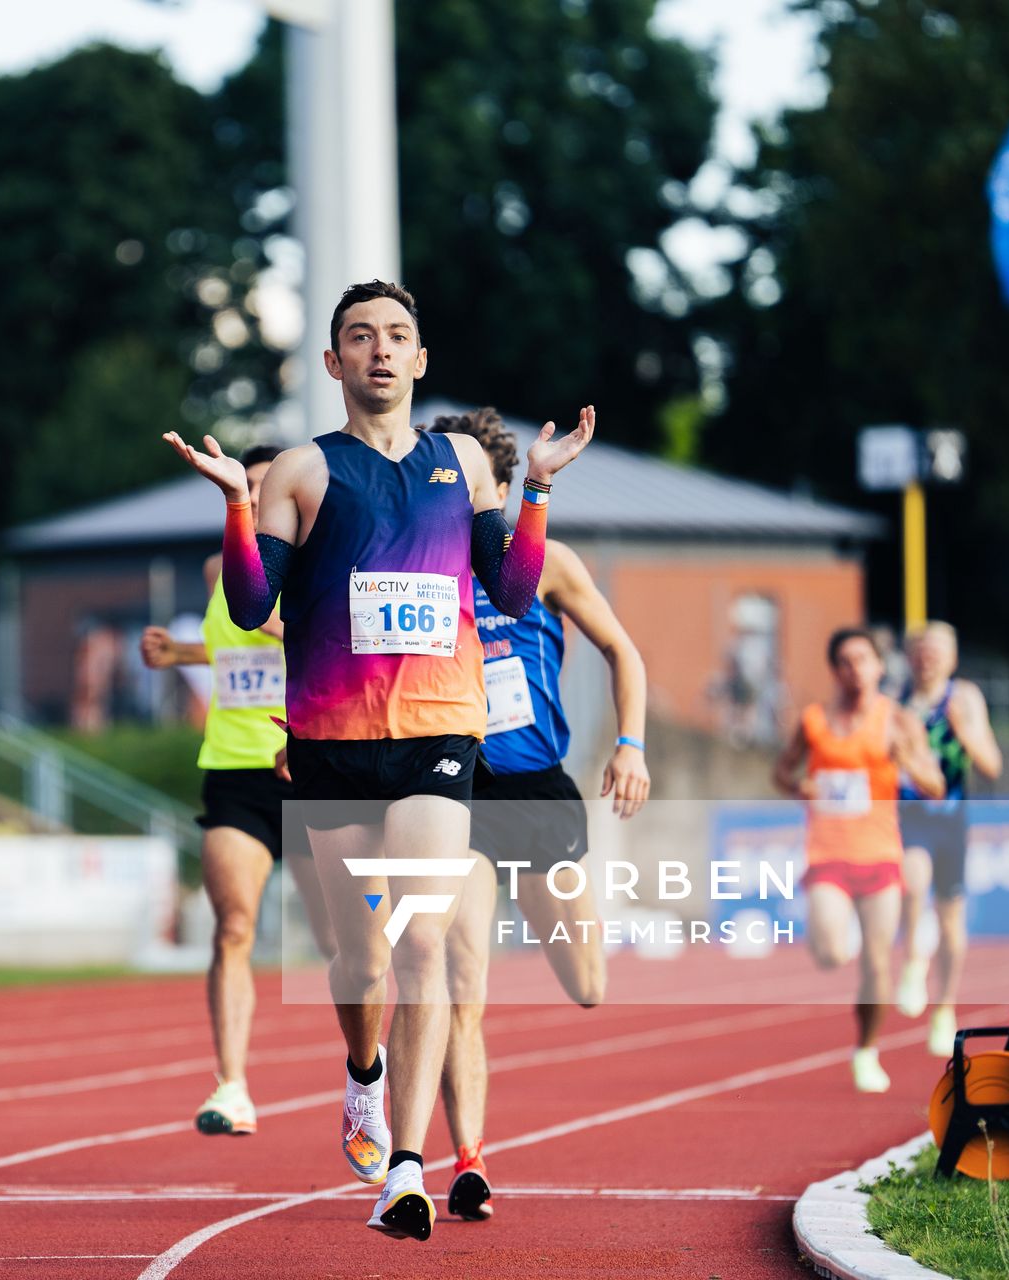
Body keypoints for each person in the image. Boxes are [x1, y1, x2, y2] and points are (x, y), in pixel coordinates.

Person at [163, 279, 592, 1240]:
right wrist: (240, 504)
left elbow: (515, 592)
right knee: (359, 956)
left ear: (421, 359)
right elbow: (245, 605)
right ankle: (364, 1074)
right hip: (330, 742)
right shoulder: (303, 473)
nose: (381, 352)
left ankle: (409, 1168)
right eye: (361, 337)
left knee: (423, 938)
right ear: (334, 363)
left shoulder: (462, 466)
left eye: (398, 336)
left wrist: (539, 490)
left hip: (440, 733)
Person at [428, 408, 650, 1222]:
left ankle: (469, 1148)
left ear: (495, 485)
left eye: (462, 484)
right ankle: (470, 1160)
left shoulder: (546, 563)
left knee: (587, 986)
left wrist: (630, 745)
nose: (449, 498)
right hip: (459, 796)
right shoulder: (422, 568)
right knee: (462, 984)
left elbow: (624, 651)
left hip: (541, 793)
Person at [139, 444, 337, 1138]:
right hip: (235, 769)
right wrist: (181, 654)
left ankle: (366, 1076)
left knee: (341, 944)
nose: (253, 501)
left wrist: (298, 625)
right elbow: (241, 649)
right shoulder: (220, 571)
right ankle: (231, 1085)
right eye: (243, 490)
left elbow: (335, 648)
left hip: (314, 772)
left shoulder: (318, 569)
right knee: (234, 929)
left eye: (263, 488)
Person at [773, 628, 944, 1092]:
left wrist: (909, 759)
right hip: (828, 853)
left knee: (876, 966)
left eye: (864, 660)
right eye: (846, 662)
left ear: (880, 666)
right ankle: (840, 929)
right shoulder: (813, 721)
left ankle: (866, 1049)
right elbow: (782, 771)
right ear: (835, 670)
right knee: (829, 953)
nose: (856, 670)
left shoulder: (897, 720)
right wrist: (798, 786)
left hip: (879, 854)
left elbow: (936, 785)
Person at [892, 622, 1003, 1056]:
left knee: (951, 920)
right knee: (910, 880)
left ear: (952, 658)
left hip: (952, 818)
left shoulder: (964, 698)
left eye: (937, 650)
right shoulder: (895, 700)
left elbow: (991, 764)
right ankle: (914, 963)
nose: (928, 657)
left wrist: (965, 730)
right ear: (910, 656)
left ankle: (945, 1007)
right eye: (920, 650)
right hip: (908, 815)